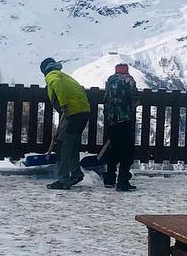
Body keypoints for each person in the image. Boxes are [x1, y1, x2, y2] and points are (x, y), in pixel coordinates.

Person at [40, 57, 90, 190]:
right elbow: (80, 89)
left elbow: (57, 84)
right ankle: (76, 173)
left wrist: (64, 104)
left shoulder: (52, 76)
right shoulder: (65, 76)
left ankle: (63, 180)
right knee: (72, 143)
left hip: (71, 112)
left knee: (62, 145)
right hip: (83, 111)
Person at [102, 63, 138, 192]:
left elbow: (106, 98)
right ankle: (123, 182)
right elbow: (134, 99)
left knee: (114, 149)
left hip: (111, 120)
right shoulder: (129, 80)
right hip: (125, 119)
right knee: (127, 152)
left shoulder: (110, 81)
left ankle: (109, 179)